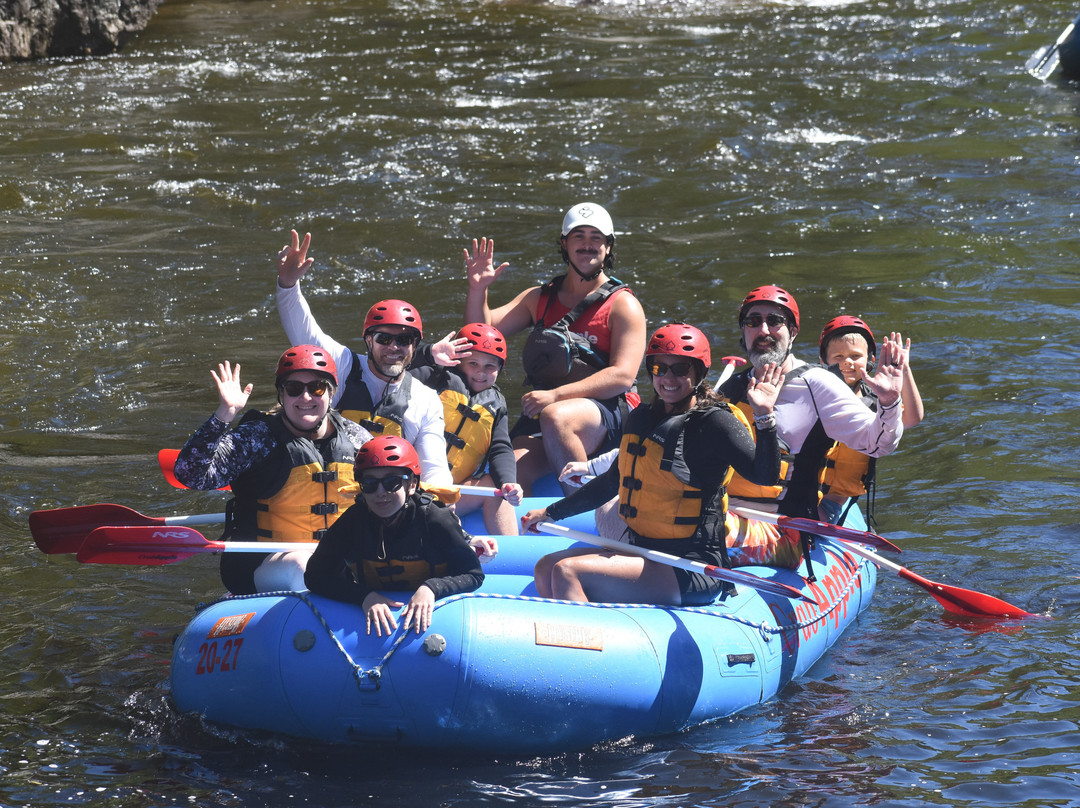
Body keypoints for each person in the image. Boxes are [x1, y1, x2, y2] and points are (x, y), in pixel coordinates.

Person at [520, 323, 791, 606]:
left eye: (680, 369)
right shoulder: (641, 417)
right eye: (660, 369)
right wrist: (551, 513)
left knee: (567, 571)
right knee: (544, 568)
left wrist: (764, 417)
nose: (668, 379)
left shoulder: (714, 422)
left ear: (699, 373)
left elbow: (766, 475)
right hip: (642, 550)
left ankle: (586, 644)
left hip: (691, 565)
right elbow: (614, 481)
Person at [463, 202, 648, 495]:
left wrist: (555, 396)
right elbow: (479, 336)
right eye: (579, 237)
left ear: (608, 247)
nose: (587, 245)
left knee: (556, 416)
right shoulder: (539, 298)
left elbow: (623, 376)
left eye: (596, 238)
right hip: (546, 408)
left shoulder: (623, 305)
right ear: (565, 243)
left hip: (608, 413)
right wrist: (478, 289)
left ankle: (586, 505)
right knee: (508, 473)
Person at [174, 345, 372, 595]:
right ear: (282, 394)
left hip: (340, 559)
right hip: (263, 562)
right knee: (305, 566)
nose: (306, 397)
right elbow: (190, 475)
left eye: (317, 388)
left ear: (332, 393)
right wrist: (224, 414)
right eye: (294, 389)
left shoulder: (357, 440)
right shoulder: (258, 438)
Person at [718, 286, 906, 531]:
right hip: (725, 513)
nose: (763, 330)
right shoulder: (730, 388)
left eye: (774, 321)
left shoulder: (818, 384)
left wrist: (889, 403)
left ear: (793, 332)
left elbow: (879, 444)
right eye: (753, 322)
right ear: (744, 331)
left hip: (787, 525)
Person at [274, 230, 453, 488]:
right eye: (383, 339)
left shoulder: (426, 400)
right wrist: (288, 284)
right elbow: (303, 329)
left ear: (415, 346)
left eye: (403, 340)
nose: (393, 347)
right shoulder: (342, 365)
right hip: (327, 491)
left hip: (383, 498)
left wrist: (441, 502)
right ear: (368, 340)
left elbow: (434, 467)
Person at [304, 436, 485, 637]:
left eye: (392, 482)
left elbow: (473, 574)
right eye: (370, 483)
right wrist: (363, 597)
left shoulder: (436, 519)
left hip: (436, 614)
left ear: (413, 484)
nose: (381, 492)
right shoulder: (353, 521)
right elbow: (314, 576)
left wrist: (432, 588)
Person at [409, 323, 524, 534]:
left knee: (495, 485)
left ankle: (512, 550)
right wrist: (429, 353)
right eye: (473, 363)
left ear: (500, 368)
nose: (481, 372)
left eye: (490, 366)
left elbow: (500, 447)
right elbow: (401, 369)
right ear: (457, 361)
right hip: (411, 488)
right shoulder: (434, 378)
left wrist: (509, 482)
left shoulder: (496, 404)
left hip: (456, 491)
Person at [816, 315, 925, 524]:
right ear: (823, 360)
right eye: (838, 356)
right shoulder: (812, 391)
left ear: (870, 360)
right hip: (801, 494)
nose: (847, 362)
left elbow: (912, 419)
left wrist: (904, 369)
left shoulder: (878, 401)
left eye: (855, 356)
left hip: (833, 503)